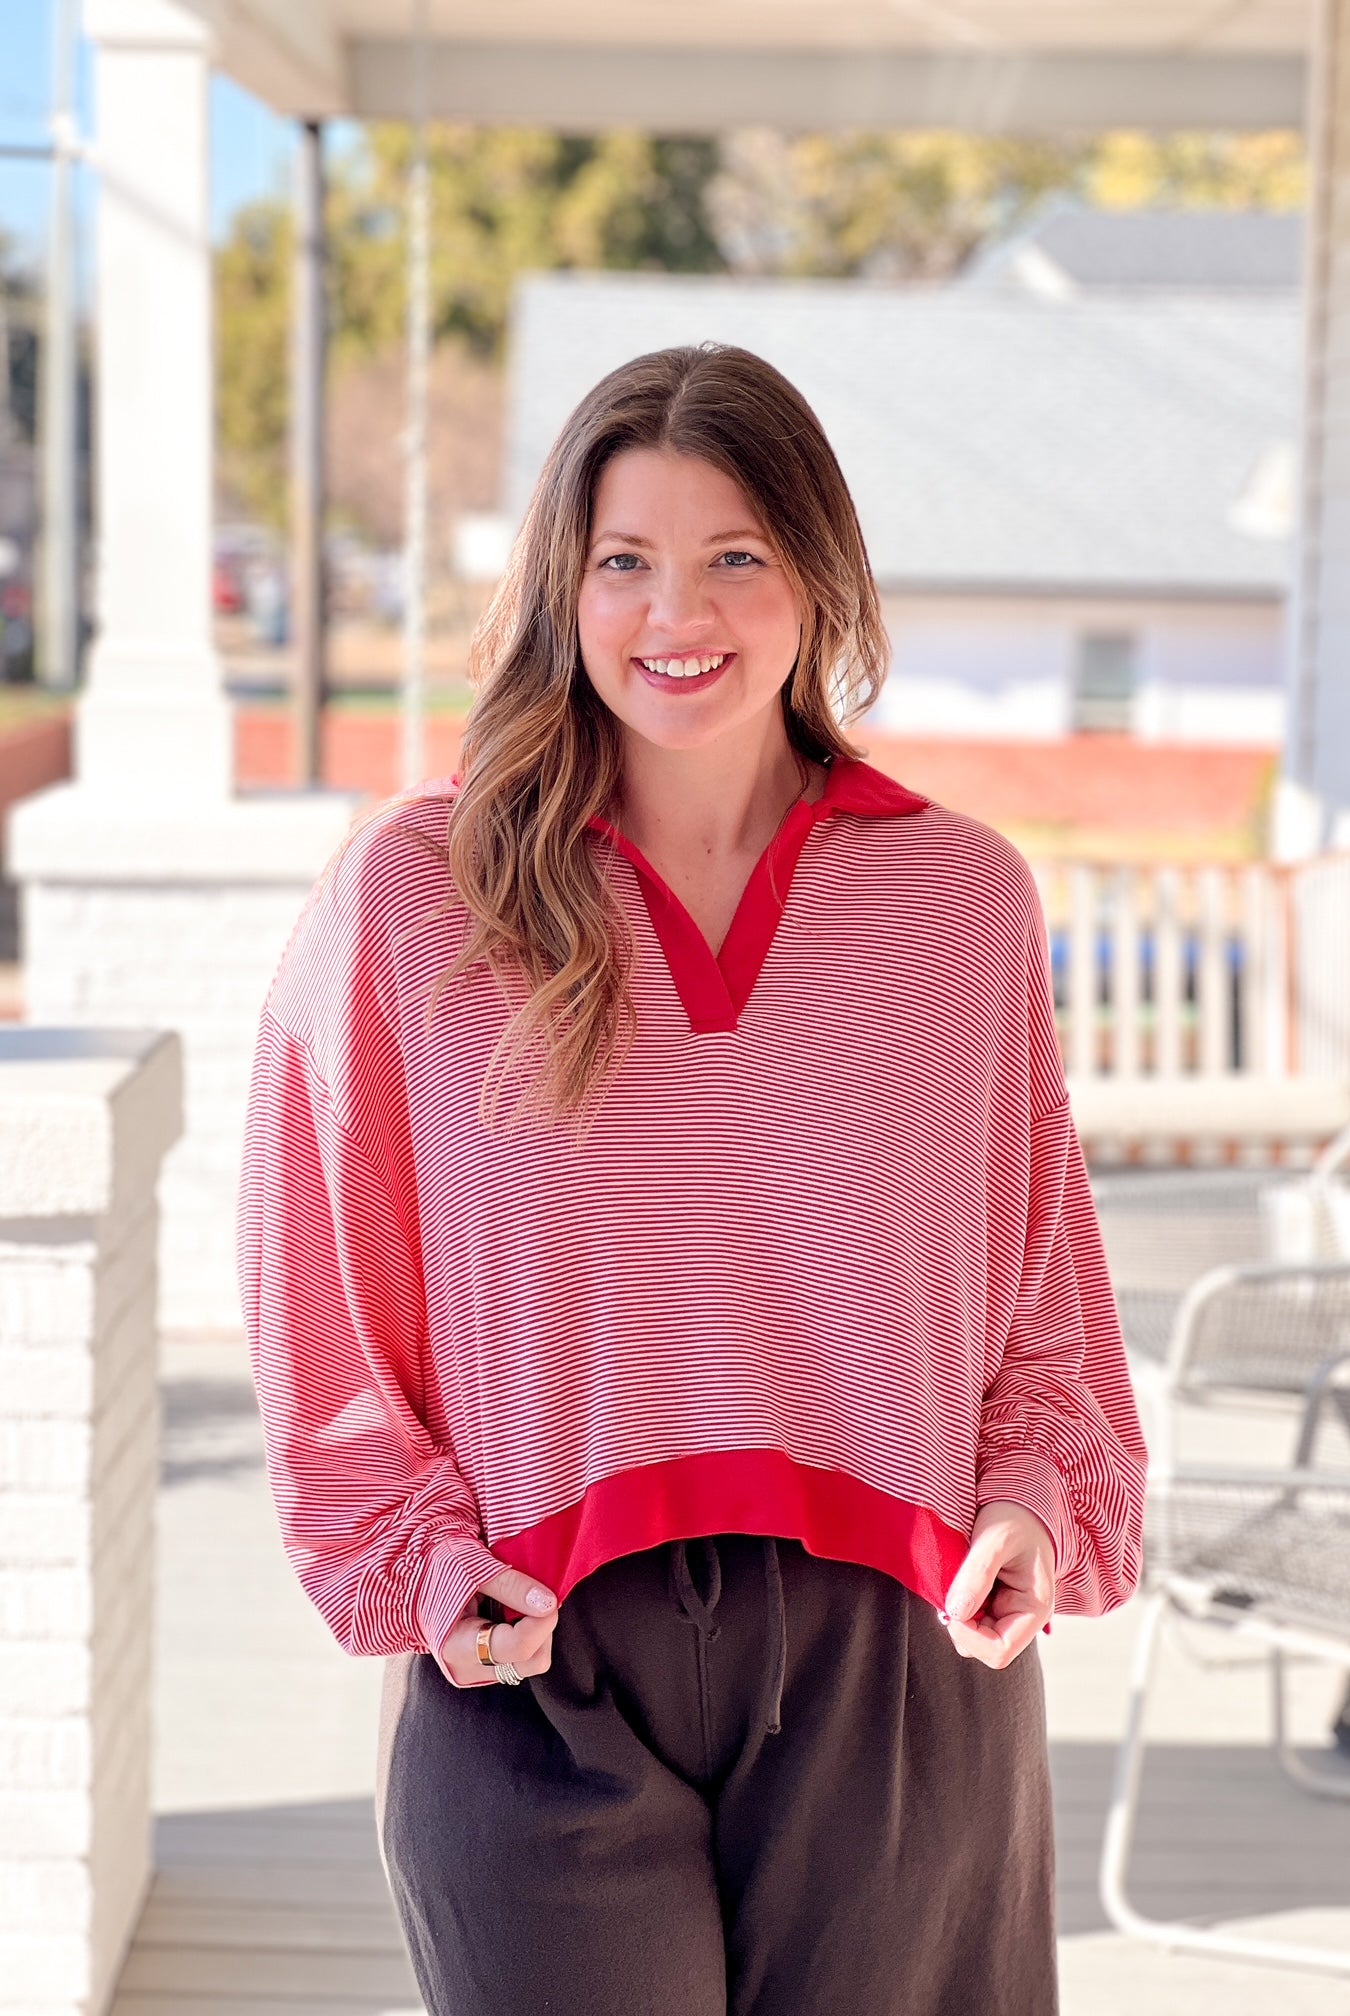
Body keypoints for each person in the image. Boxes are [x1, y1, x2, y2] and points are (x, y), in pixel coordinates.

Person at [236, 342, 1148, 2016]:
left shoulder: (958, 905)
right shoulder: (418, 894)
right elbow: (322, 1279)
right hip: (530, 1651)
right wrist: (415, 1555)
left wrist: (1032, 1493)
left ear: (817, 577)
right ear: (562, 592)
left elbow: (1036, 1275)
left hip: (893, 1663)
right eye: (625, 561)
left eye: (735, 554)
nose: (681, 610)